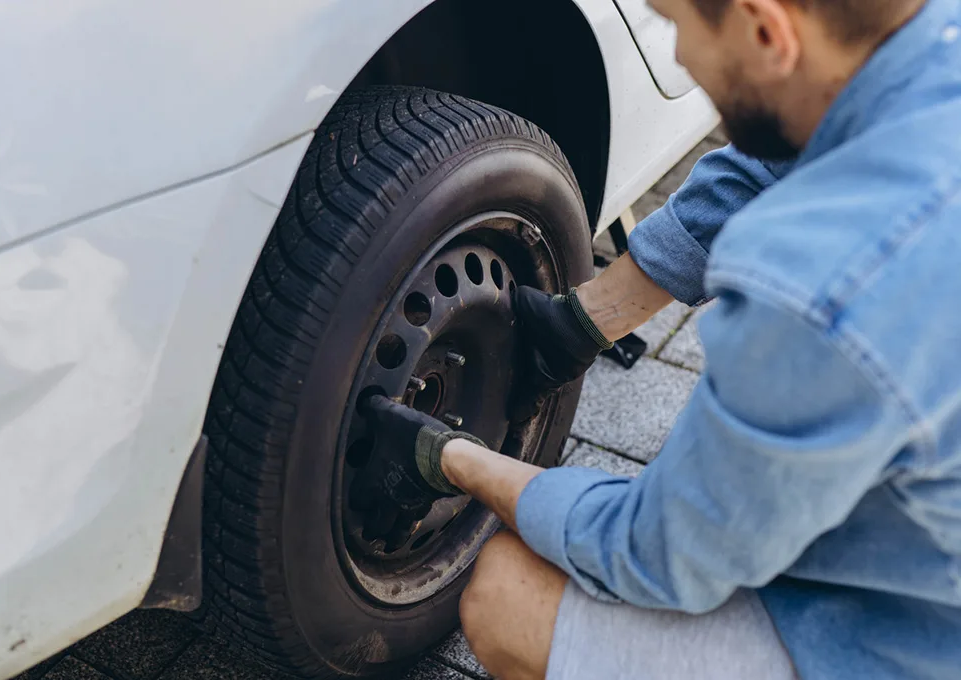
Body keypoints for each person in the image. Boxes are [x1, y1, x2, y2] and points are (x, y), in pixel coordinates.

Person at [351, 0, 961, 678]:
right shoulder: (921, 45)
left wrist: (452, 458)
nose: (677, 58)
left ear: (766, 31)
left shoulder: (822, 288)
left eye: (676, 23)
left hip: (919, 644)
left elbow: (657, 558)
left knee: (507, 594)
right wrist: (578, 325)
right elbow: (764, 165)